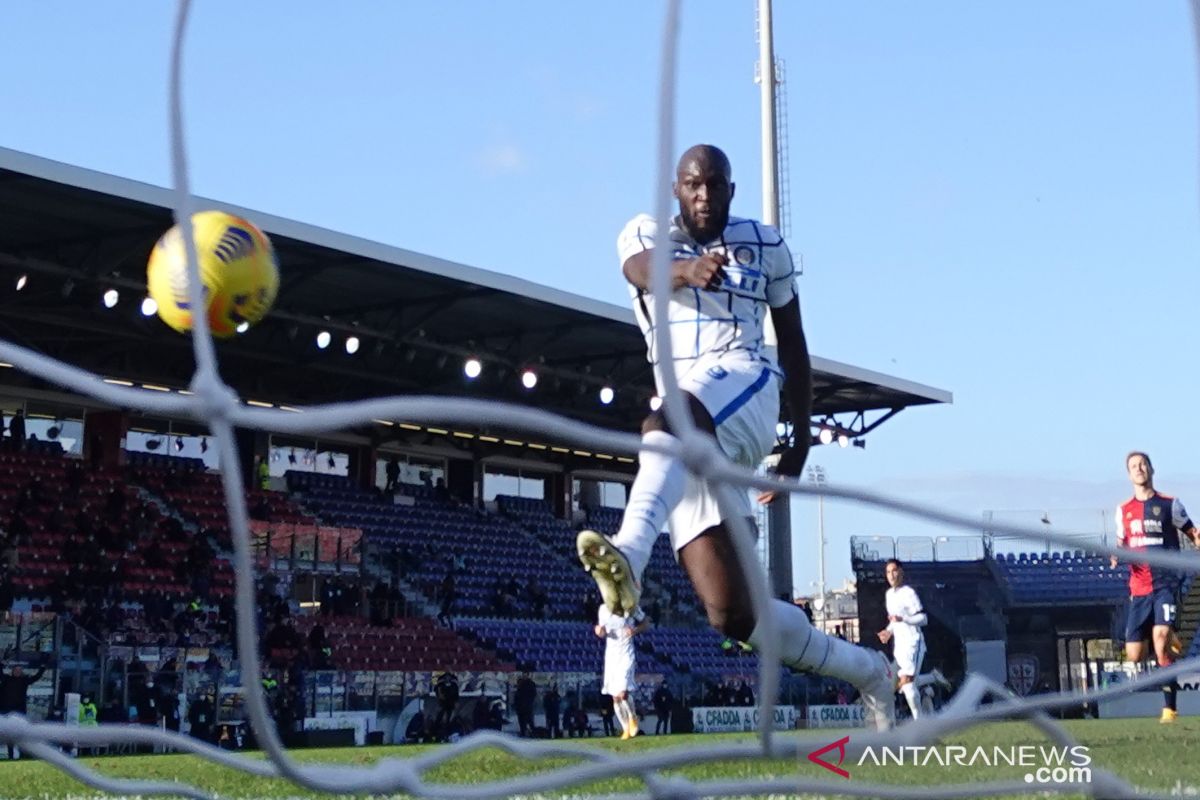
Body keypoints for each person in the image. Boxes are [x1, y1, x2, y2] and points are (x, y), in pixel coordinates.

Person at [575, 144, 894, 730]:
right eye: (693, 185)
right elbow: (637, 270)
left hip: (746, 385)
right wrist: (685, 271)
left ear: (731, 189)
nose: (704, 196)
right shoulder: (644, 233)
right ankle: (869, 671)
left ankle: (630, 554)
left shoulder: (765, 244)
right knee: (734, 616)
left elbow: (793, 342)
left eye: (715, 185)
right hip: (690, 426)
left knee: (665, 420)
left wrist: (798, 437)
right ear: (676, 189)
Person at [1111, 451, 1199, 723]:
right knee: (1135, 655)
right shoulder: (1123, 511)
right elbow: (1121, 543)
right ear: (1129, 475)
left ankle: (1169, 709)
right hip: (1138, 588)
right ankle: (1164, 637)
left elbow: (1192, 532)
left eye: (1142, 464)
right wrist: (1117, 555)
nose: (1139, 469)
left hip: (1164, 584)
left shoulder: (1170, 504)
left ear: (1151, 469)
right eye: (1133, 467)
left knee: (1160, 643)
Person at [877, 559, 929, 718]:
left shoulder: (908, 593)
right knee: (893, 687)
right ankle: (932, 679)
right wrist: (887, 631)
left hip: (913, 642)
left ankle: (920, 725)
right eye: (888, 572)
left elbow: (923, 619)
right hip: (899, 646)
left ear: (901, 572)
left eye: (894, 571)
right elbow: (894, 620)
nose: (891, 575)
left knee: (907, 685)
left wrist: (904, 619)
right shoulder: (889, 595)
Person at [594, 604, 650, 739]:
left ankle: (632, 717)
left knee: (623, 693)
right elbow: (600, 630)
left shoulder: (630, 606)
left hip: (626, 653)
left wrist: (634, 630)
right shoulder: (603, 609)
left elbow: (645, 623)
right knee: (615, 697)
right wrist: (599, 631)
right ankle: (625, 728)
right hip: (612, 656)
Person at [0, 661, 46, 759]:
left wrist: (42, 667)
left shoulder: (24, 680)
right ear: (12, 671)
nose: (17, 672)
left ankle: (22, 754)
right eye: (16, 670)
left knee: (20, 734)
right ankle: (10, 755)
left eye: (19, 670)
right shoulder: (7, 679)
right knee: (8, 735)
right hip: (6, 712)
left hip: (19, 712)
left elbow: (36, 678)